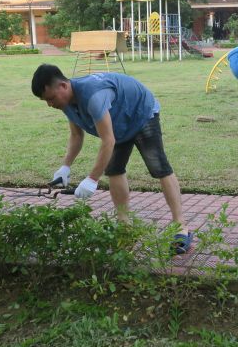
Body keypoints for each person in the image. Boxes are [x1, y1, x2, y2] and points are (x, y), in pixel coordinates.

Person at [31, 65, 193, 254]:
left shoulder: (93, 96)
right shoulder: (66, 103)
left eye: (50, 98)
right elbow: (76, 136)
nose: (50, 104)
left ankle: (180, 226)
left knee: (158, 166)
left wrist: (92, 179)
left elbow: (108, 141)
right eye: (46, 101)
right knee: (114, 169)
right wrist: (65, 167)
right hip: (117, 123)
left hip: (140, 113)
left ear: (64, 86)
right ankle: (125, 229)